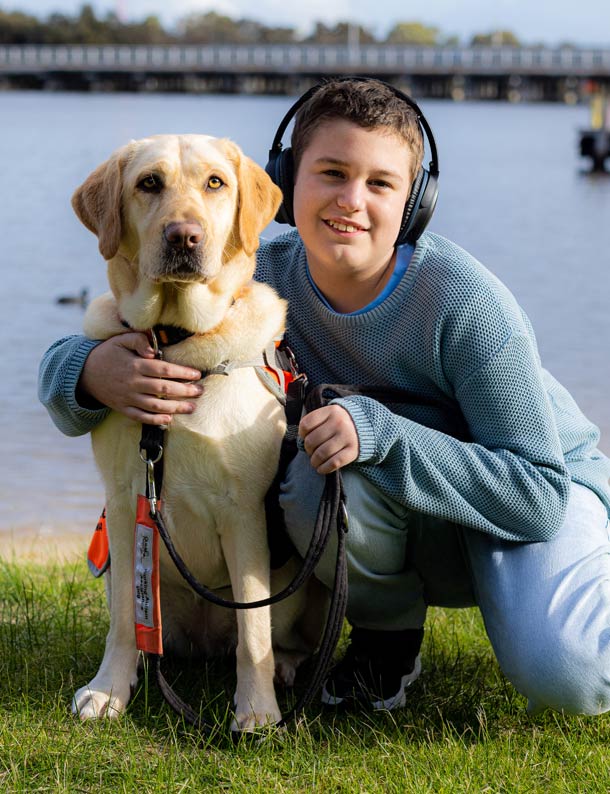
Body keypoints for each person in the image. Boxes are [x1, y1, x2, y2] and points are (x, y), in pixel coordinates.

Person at [39, 78, 610, 716]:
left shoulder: (467, 305)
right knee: (317, 476)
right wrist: (87, 370)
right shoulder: (261, 271)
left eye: (381, 183)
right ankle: (386, 647)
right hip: (404, 496)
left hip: (535, 494)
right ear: (289, 181)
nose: (351, 201)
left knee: (572, 677)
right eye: (331, 173)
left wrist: (383, 432)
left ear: (416, 200)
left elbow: (537, 496)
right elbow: (108, 339)